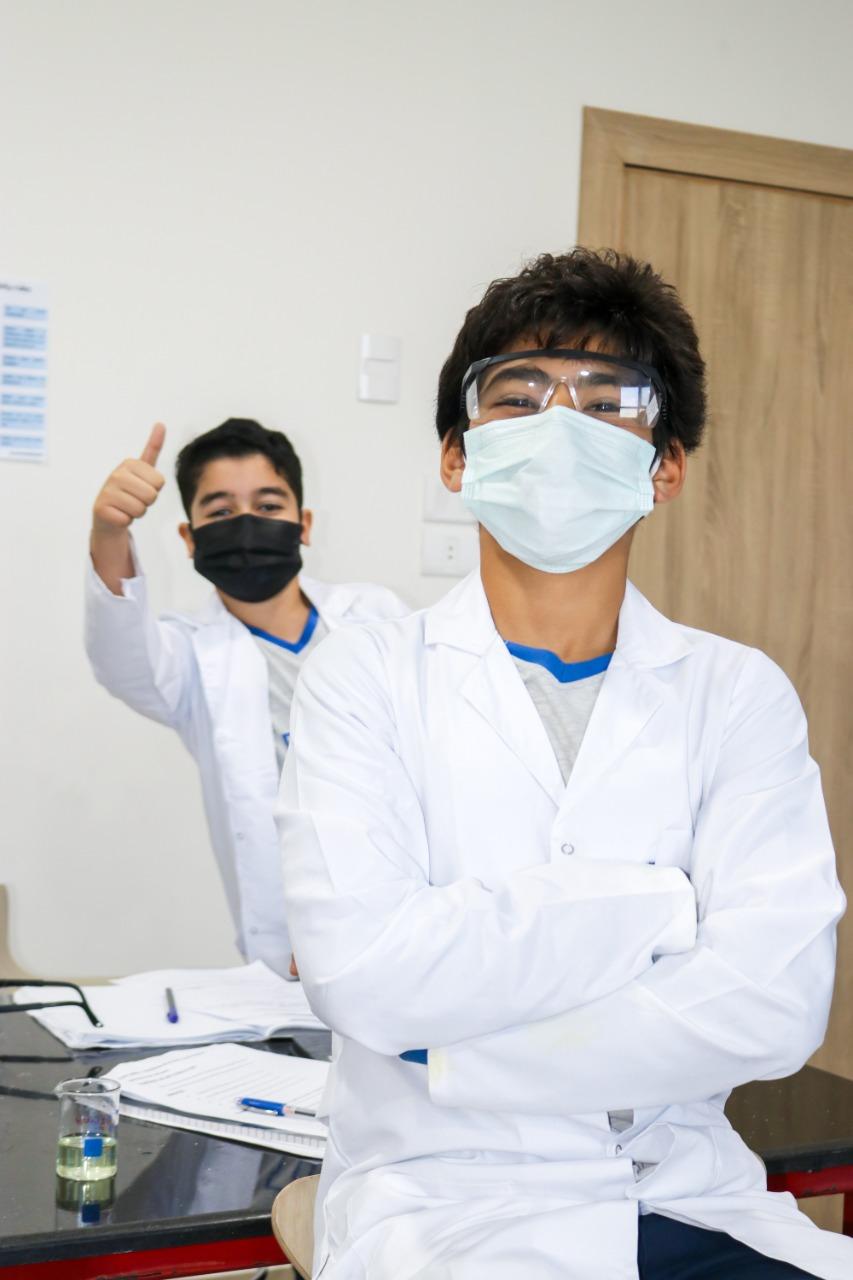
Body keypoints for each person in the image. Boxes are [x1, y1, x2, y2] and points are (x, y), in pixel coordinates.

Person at [277, 250, 851, 1278]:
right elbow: (364, 976)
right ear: (457, 456)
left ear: (663, 465)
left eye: (606, 402)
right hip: (443, 1210)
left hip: (687, 1199)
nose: (559, 425)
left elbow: (773, 1005)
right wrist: (658, 906)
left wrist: (452, 1052)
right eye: (518, 395)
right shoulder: (363, 674)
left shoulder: (736, 692)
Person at [85, 417, 407, 977]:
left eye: (268, 505)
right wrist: (109, 533)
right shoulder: (191, 657)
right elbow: (121, 659)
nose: (247, 525)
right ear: (189, 538)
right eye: (220, 512)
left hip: (406, 912)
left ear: (303, 524)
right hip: (289, 944)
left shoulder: (376, 618)